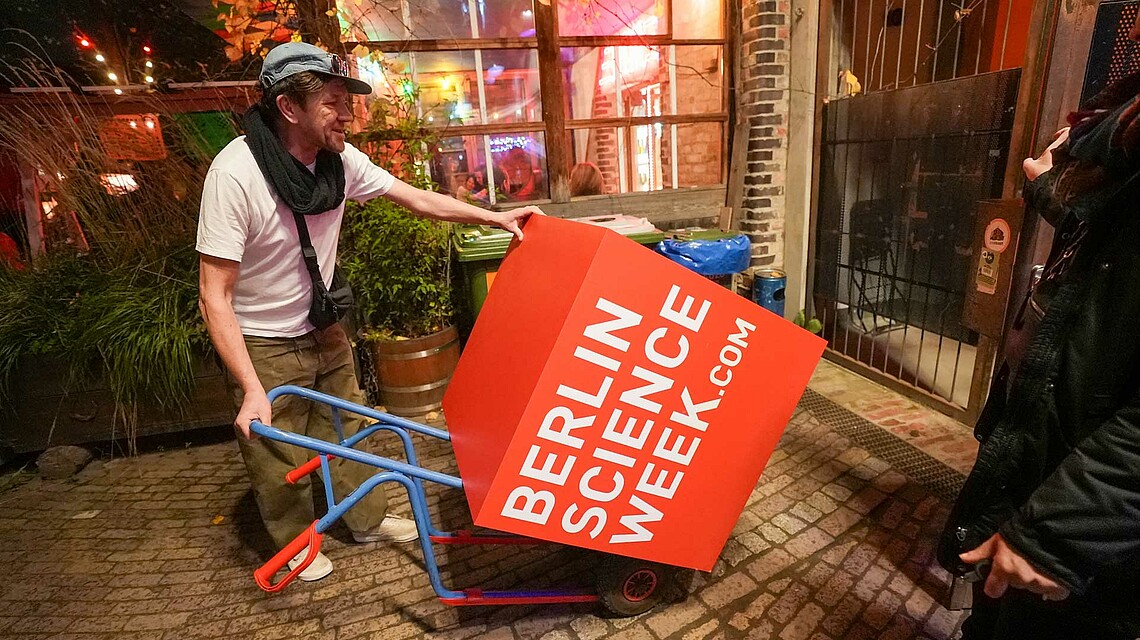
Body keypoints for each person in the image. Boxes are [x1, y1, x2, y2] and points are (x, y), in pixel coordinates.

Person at [197, 42, 540, 582]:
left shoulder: (340, 162)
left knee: (348, 426)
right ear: (289, 108)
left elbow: (416, 198)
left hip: (324, 322)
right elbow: (213, 294)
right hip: (262, 337)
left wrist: (494, 217)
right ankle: (296, 547)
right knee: (276, 451)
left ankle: (366, 520)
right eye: (333, 102)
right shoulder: (236, 174)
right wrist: (250, 387)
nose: (348, 115)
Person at [939, 15, 1140, 639]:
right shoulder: (1123, 120)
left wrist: (1059, 532)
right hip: (1048, 440)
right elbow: (1098, 219)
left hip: (1095, 514)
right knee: (994, 611)